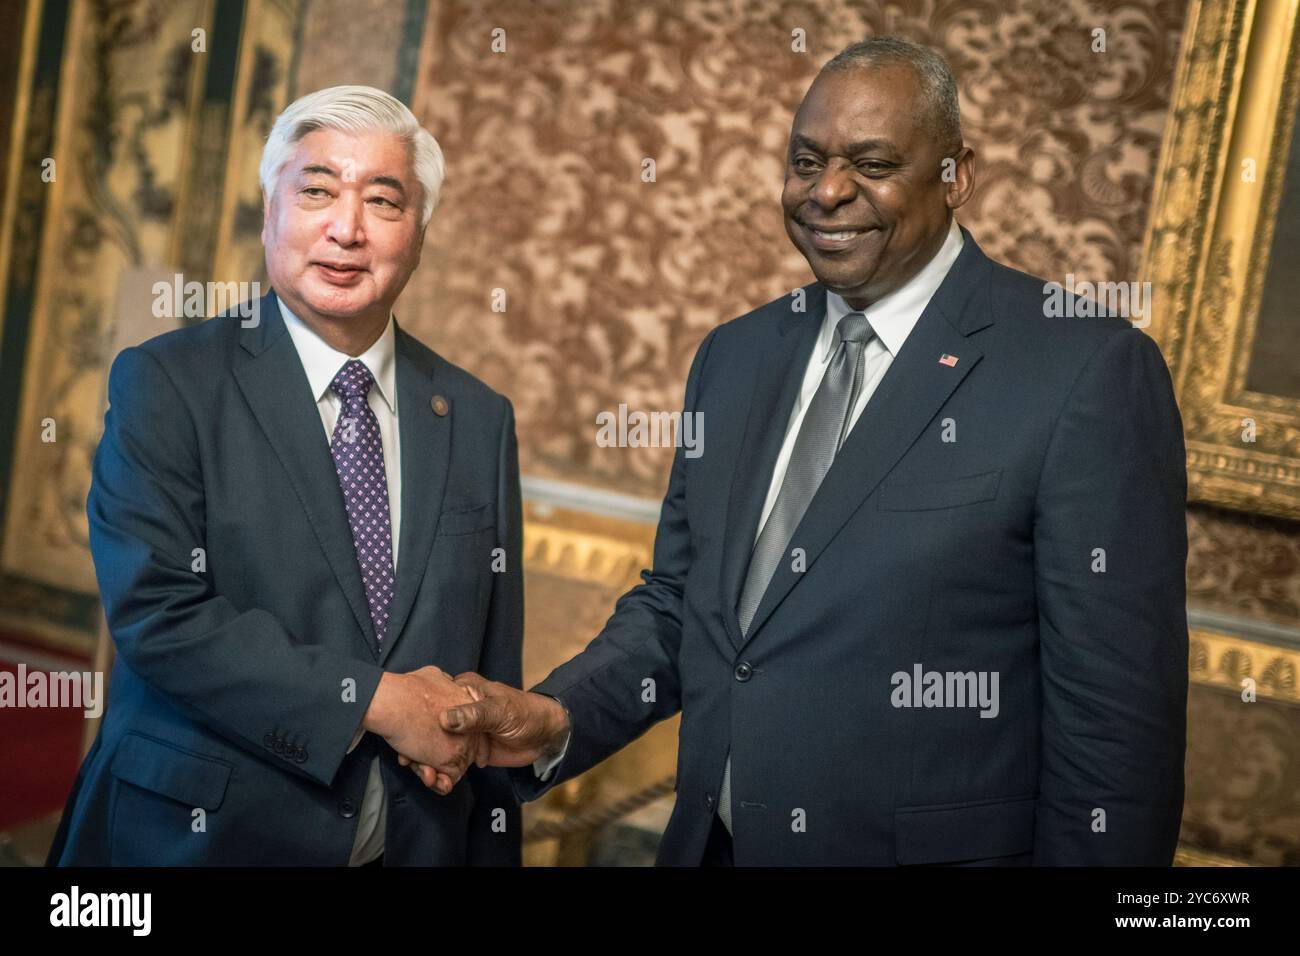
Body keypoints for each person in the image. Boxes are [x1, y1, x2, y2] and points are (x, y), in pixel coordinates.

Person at [418, 37, 1189, 866]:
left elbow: (1116, 729)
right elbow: (685, 604)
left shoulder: (1084, 368)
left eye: (873, 163)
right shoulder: (738, 356)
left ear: (957, 175)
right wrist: (557, 716)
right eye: (807, 161)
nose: (827, 192)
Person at [47, 85, 522, 866]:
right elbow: (158, 613)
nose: (346, 228)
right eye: (317, 191)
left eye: (384, 200)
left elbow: (490, 674)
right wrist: (378, 701)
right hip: (194, 840)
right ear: (270, 209)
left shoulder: (477, 416)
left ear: (421, 233)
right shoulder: (170, 383)